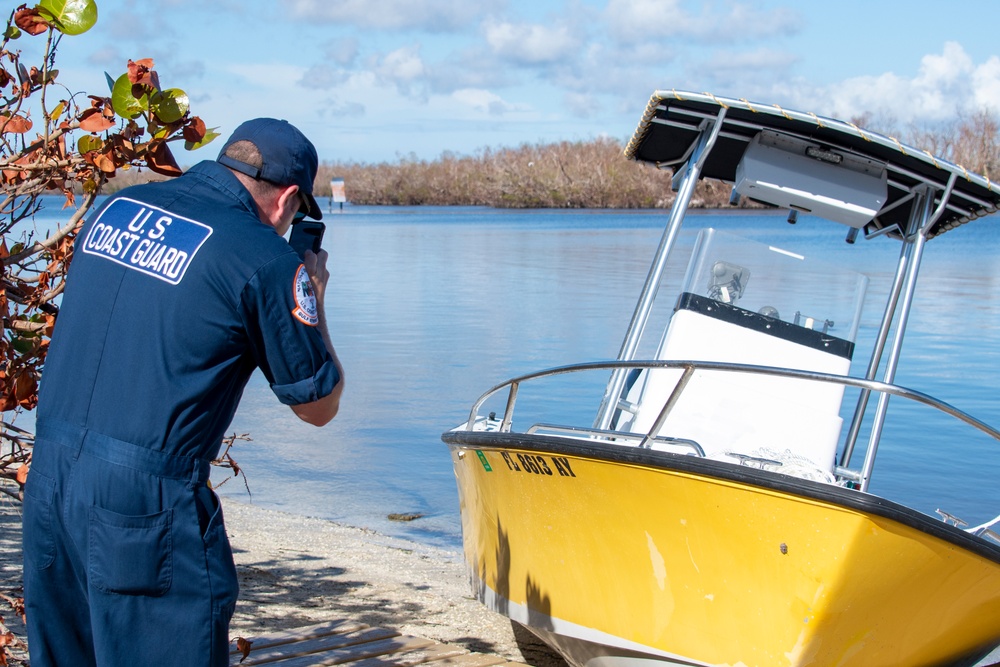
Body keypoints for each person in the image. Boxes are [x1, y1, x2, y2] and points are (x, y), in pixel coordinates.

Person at [21, 118, 345, 666]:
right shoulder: (264, 258)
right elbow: (318, 406)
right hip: (143, 509)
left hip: (50, 480)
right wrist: (313, 298)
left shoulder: (116, 210)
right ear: (288, 198)